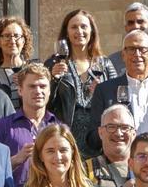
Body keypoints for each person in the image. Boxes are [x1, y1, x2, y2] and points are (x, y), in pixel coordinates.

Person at [47, 9, 119, 154]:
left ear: (92, 31)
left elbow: (117, 102)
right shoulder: (54, 63)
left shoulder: (104, 64)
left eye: (83, 26)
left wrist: (103, 93)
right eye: (74, 27)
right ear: (66, 32)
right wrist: (53, 80)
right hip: (66, 136)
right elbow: (45, 103)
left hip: (97, 137)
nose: (79, 31)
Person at [0, 63, 62, 187]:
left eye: (43, 86)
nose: (38, 91)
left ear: (49, 91)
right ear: (20, 91)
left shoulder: (59, 128)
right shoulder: (2, 127)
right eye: (32, 86)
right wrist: (16, 160)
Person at [0, 16, 38, 110]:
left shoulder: (35, 70)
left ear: (23, 41)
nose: (12, 41)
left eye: (17, 36)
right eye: (7, 36)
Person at [83, 104, 135, 187]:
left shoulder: (146, 168)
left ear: (134, 134)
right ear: (100, 132)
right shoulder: (86, 170)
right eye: (111, 127)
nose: (119, 133)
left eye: (125, 128)